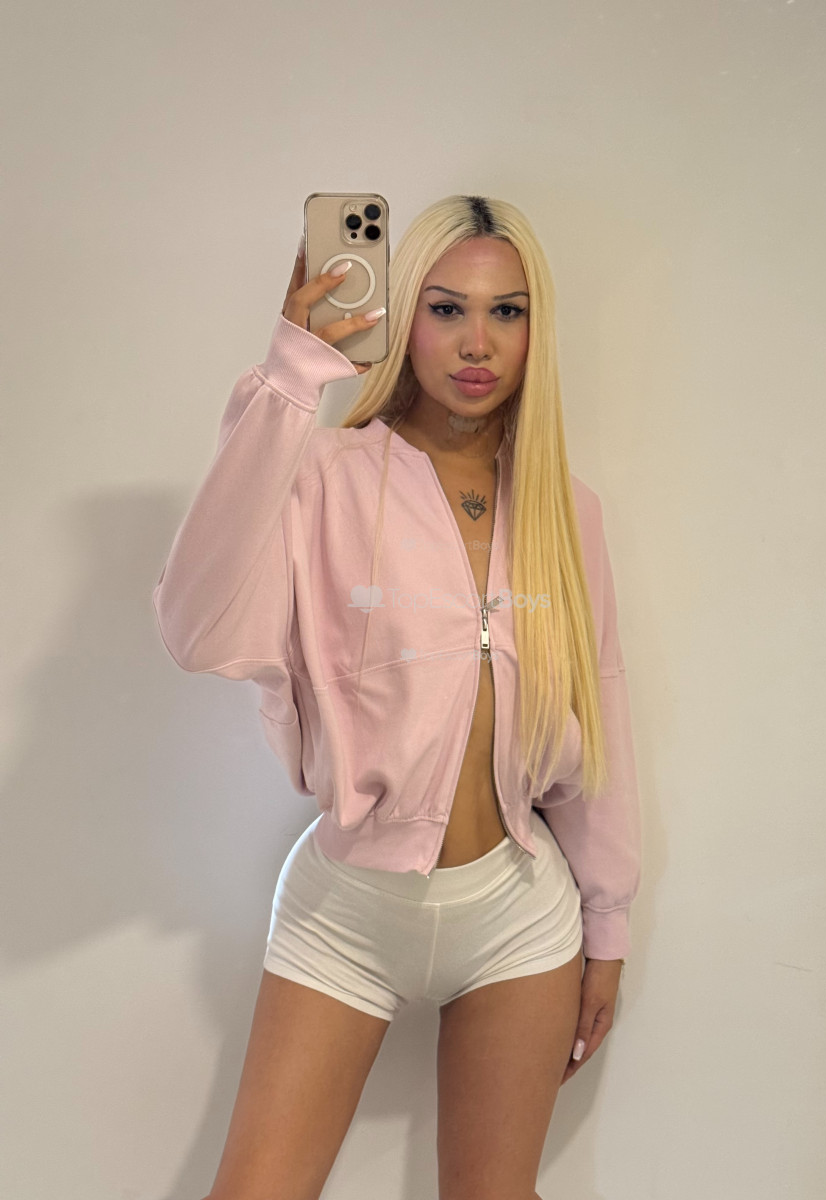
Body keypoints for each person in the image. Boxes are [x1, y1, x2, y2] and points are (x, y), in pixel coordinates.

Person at [153, 193, 642, 1200]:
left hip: (518, 914)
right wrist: (291, 374)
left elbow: (601, 718)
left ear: (536, 330)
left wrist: (608, 925)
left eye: (507, 312)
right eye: (445, 307)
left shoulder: (565, 509)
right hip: (349, 911)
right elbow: (195, 629)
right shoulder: (323, 477)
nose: (477, 343)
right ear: (404, 318)